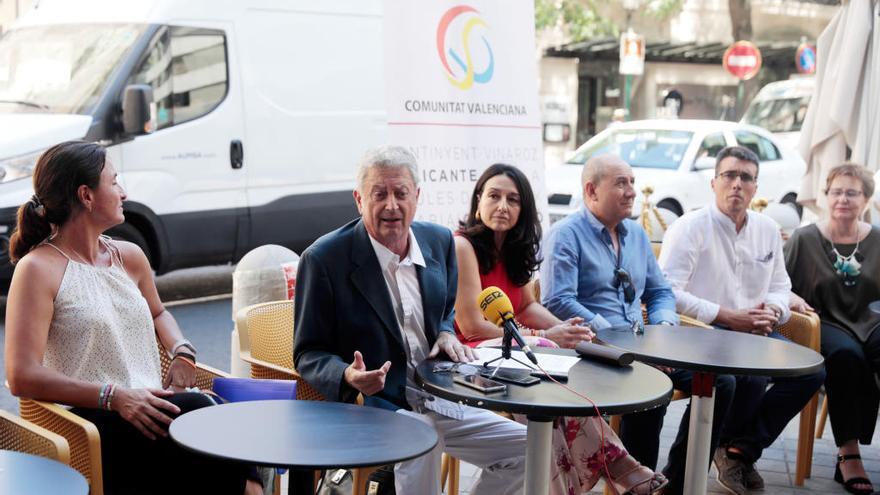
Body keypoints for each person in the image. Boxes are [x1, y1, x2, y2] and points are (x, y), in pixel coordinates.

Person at [3, 141, 262, 495]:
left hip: (152, 410)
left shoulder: (129, 256)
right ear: (86, 196)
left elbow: (159, 312)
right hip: (90, 425)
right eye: (114, 182)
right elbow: (21, 376)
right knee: (208, 414)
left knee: (220, 425)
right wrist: (115, 397)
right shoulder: (38, 269)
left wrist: (181, 349)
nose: (123, 192)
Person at [293, 146, 526, 495]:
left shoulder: (440, 241)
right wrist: (347, 375)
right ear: (359, 199)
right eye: (379, 194)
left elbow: (445, 309)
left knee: (527, 446)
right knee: (423, 441)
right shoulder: (324, 260)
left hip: (438, 395)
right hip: (376, 406)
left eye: (401, 193)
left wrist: (447, 333)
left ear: (416, 196)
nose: (391, 205)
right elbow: (307, 353)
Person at [454, 163, 667, 494]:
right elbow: (472, 327)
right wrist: (543, 337)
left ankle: (576, 481)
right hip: (471, 355)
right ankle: (617, 464)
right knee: (549, 373)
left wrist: (564, 328)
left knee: (559, 378)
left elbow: (526, 306)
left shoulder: (512, 246)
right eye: (494, 196)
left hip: (513, 351)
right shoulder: (462, 246)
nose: (502, 206)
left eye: (513, 200)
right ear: (478, 200)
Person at [540, 153, 736, 495]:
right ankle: (636, 486)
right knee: (650, 386)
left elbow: (660, 291)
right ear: (591, 190)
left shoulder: (636, 234)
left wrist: (662, 330)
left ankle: (676, 484)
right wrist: (621, 340)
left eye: (631, 181)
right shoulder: (566, 235)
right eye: (621, 183)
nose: (631, 191)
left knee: (722, 381)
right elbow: (558, 300)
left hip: (645, 344)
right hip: (593, 349)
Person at [659, 146, 825, 494]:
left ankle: (740, 449)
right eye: (729, 175)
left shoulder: (766, 228)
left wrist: (772, 312)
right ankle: (683, 477)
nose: (737, 183)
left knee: (811, 370)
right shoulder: (690, 227)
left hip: (755, 331)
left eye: (745, 177)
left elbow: (781, 286)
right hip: (701, 331)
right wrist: (727, 316)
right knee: (741, 377)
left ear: (755, 187)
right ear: (713, 182)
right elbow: (668, 292)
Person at [784, 163, 880, 495]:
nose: (843, 199)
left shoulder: (878, 239)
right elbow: (777, 283)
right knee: (847, 356)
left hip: (871, 321)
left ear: (866, 199)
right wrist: (793, 298)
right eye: (836, 191)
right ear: (826, 196)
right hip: (823, 322)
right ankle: (848, 453)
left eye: (852, 193)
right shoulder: (804, 238)